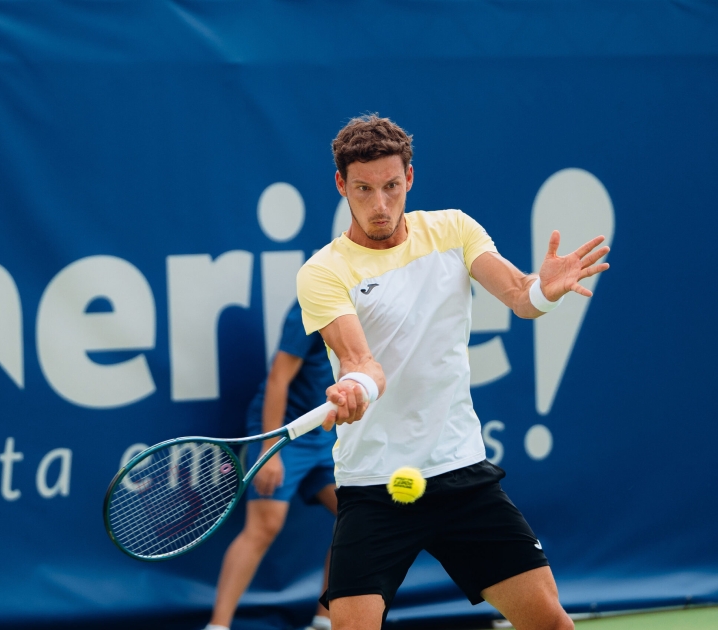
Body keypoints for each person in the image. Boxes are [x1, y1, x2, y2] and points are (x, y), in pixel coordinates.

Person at [296, 114, 610, 630]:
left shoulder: (454, 229)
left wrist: (543, 293)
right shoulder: (324, 271)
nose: (380, 204)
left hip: (460, 474)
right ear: (341, 186)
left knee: (550, 622)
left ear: (410, 178)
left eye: (392, 186)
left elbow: (518, 295)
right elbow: (360, 361)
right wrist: (354, 385)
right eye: (364, 189)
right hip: (374, 484)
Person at [204, 300, 338, 630]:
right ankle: (218, 627)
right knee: (264, 527)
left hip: (326, 429)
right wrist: (270, 450)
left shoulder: (380, 299)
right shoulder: (318, 298)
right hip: (285, 429)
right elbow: (279, 376)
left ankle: (324, 622)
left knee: (358, 518)